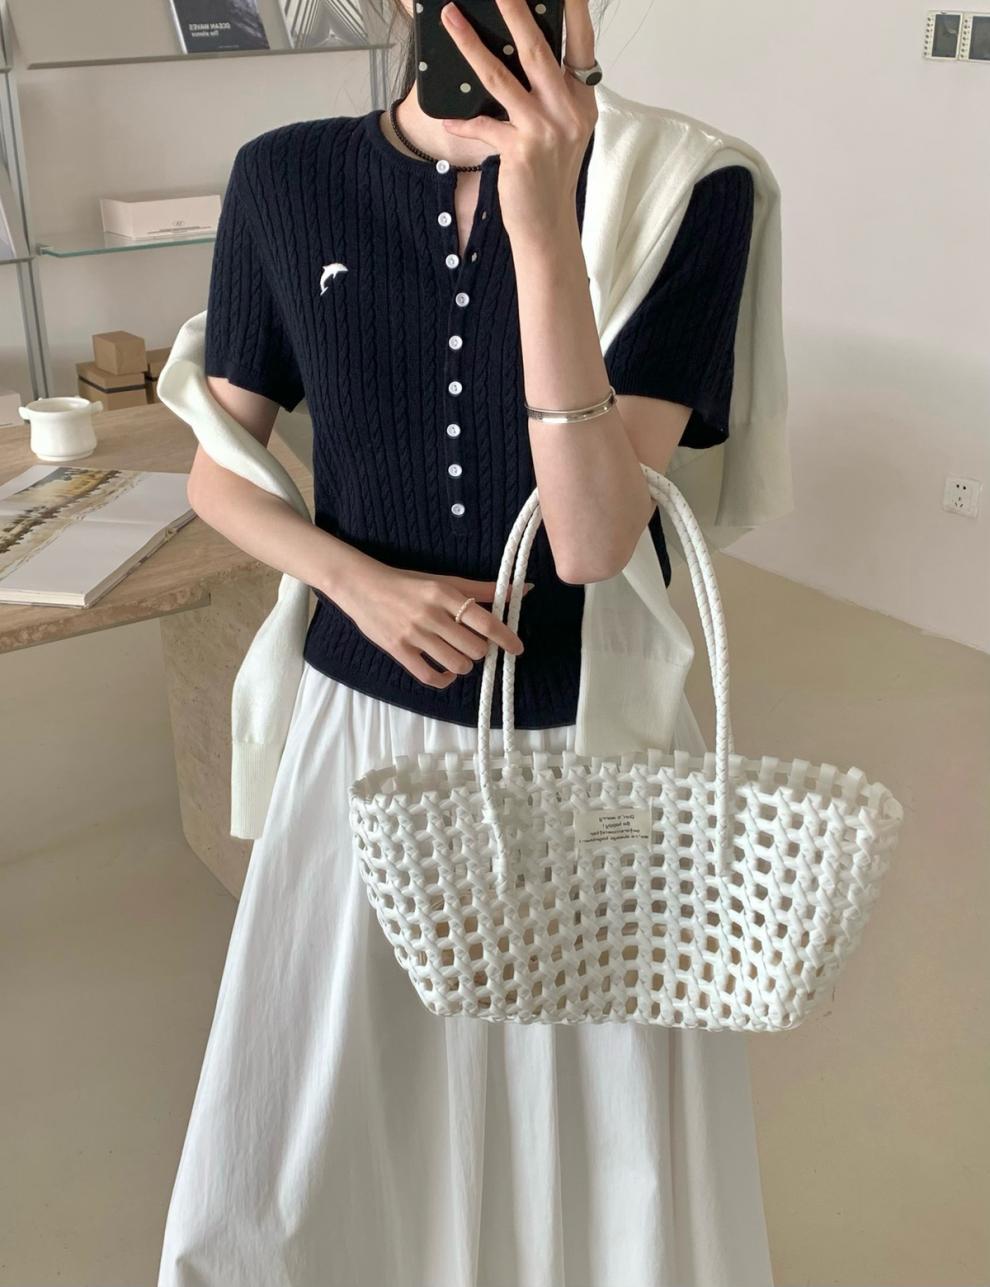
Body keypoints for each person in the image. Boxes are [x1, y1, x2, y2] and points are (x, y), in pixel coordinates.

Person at [157, 0, 775, 1281]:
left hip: (587, 738)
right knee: (324, 1110)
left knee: (592, 1127)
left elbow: (592, 540)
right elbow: (219, 471)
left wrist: (544, 223)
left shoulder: (685, 186)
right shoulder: (282, 177)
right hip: (359, 735)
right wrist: (356, 585)